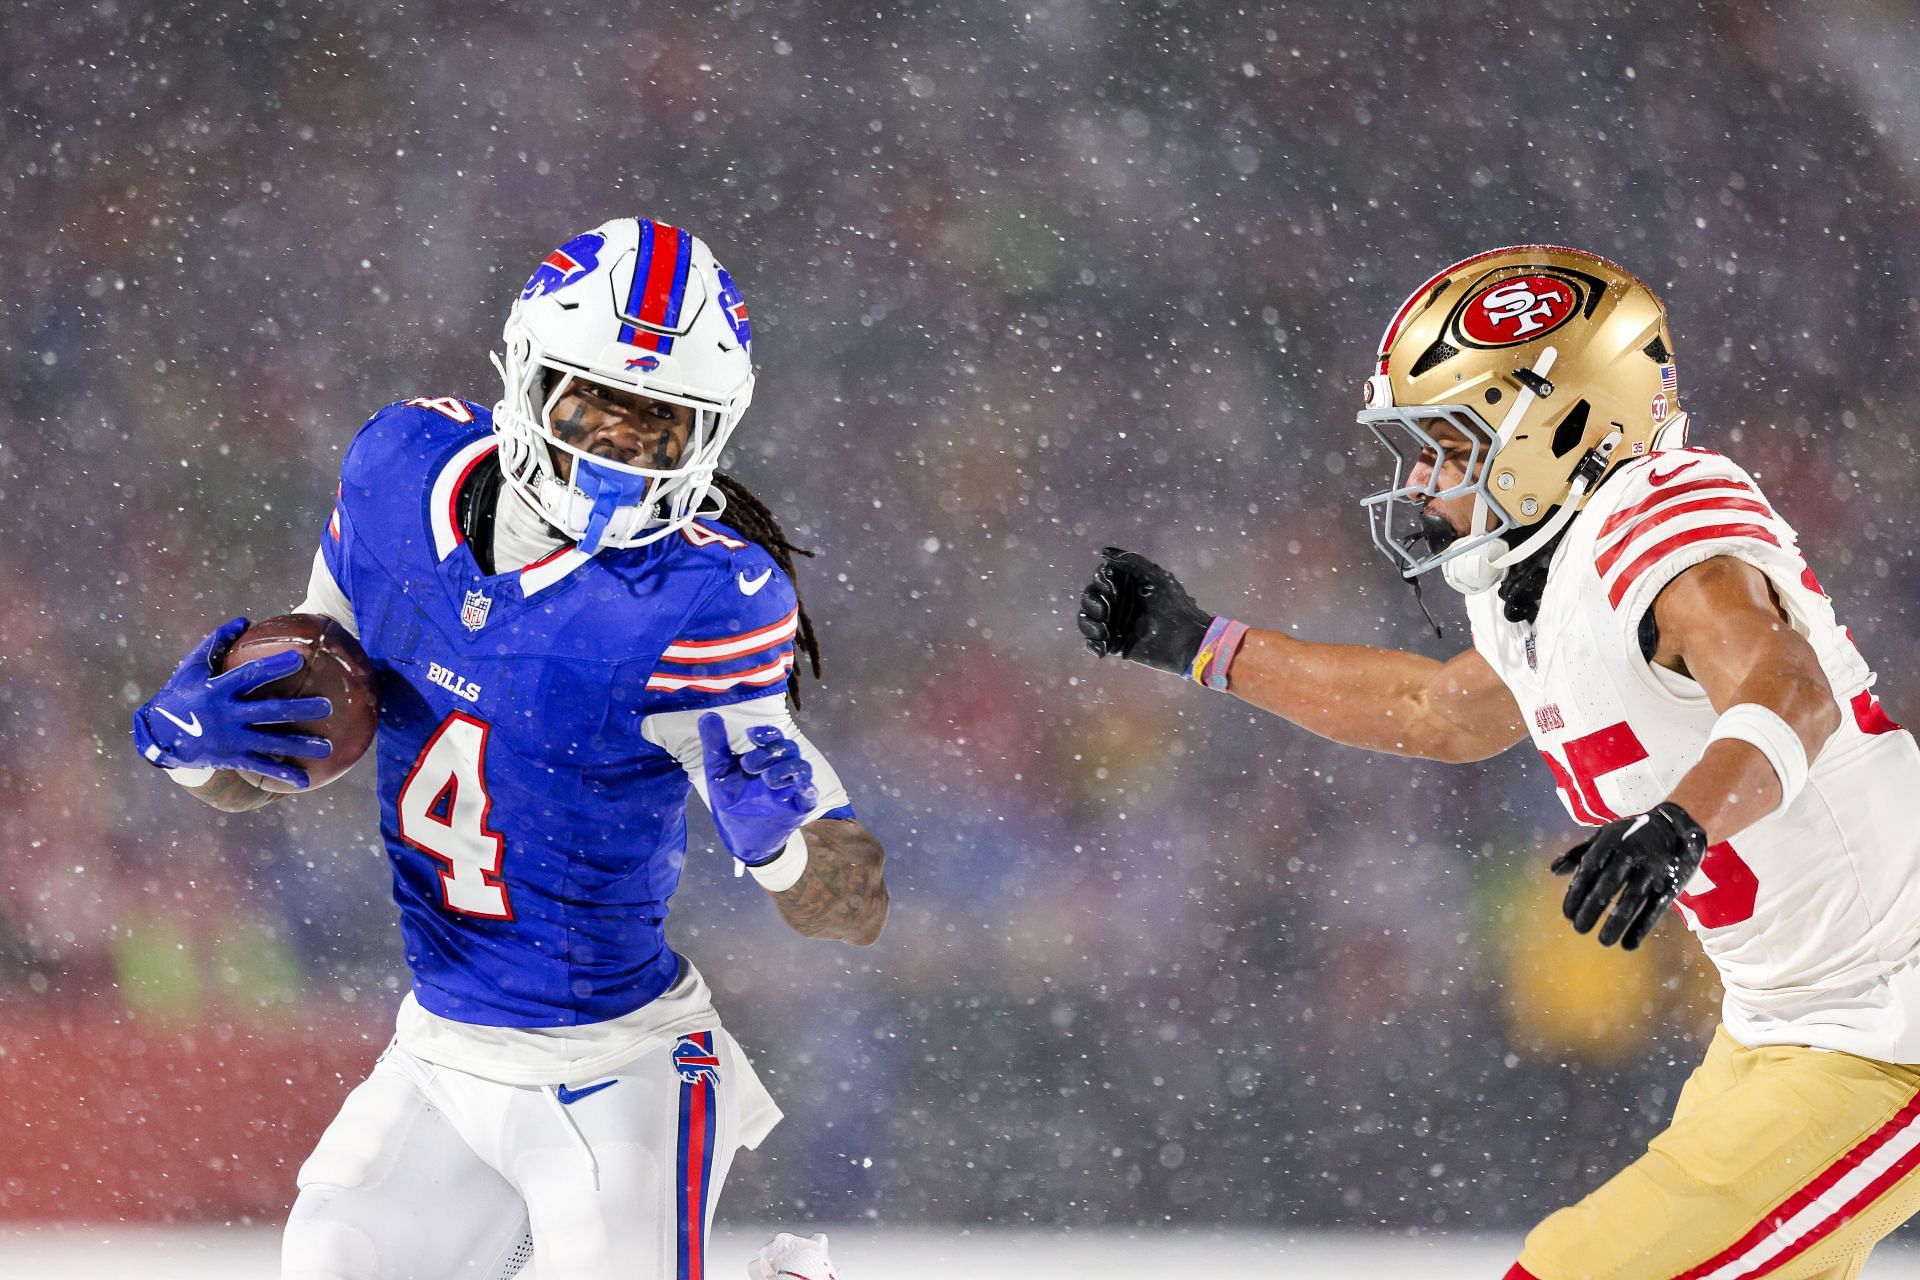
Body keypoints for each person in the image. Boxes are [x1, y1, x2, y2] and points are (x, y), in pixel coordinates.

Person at [1077, 245, 1920, 1280]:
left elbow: (1789, 689)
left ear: (1562, 427)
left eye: (1449, 444)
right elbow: (1437, 710)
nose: (1423, 481)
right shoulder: (1551, 574)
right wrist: (1200, 643)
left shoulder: (1660, 521)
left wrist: (1683, 820)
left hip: (1889, 1018)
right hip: (1787, 1018)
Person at [131, 217, 888, 1280]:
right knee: (333, 1257)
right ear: (527, 374)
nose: (621, 446)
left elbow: (852, 901)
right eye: (599, 405)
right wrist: (192, 743)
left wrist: (788, 850)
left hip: (616, 1060)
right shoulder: (398, 471)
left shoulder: (706, 594)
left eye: (659, 424)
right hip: (441, 1044)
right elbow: (292, 735)